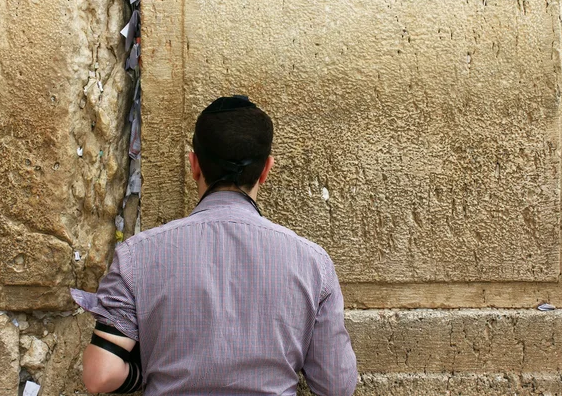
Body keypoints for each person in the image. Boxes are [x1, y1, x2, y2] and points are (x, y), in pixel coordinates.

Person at [71, 95, 357, 396]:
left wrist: (146, 375)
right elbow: (336, 387)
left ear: (194, 165)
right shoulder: (313, 264)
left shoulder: (137, 255)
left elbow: (100, 375)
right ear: (266, 170)